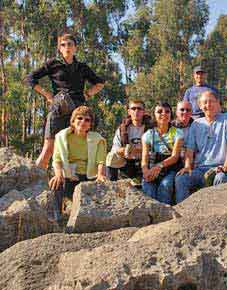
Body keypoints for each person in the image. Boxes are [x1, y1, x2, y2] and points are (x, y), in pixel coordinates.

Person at [25, 33, 105, 169]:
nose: (67, 47)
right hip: (58, 109)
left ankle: (78, 183)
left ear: (75, 48)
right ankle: (32, 184)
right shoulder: (53, 64)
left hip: (78, 113)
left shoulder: (82, 67)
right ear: (59, 48)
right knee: (48, 149)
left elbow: (100, 83)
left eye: (70, 44)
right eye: (63, 45)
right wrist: (47, 95)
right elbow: (30, 78)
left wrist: (87, 94)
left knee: (77, 149)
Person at [175, 90, 227, 203]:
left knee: (221, 178)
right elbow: (190, 149)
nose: (208, 105)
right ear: (199, 105)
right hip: (200, 169)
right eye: (204, 102)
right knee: (181, 178)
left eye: (211, 101)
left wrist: (226, 166)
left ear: (218, 103)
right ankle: (182, 215)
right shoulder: (196, 124)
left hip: (221, 168)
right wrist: (187, 166)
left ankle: (217, 213)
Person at [49, 106, 107, 221]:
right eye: (79, 118)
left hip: (89, 176)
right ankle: (57, 218)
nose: (83, 122)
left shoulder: (97, 139)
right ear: (73, 121)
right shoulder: (62, 136)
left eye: (87, 120)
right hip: (69, 175)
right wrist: (58, 174)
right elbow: (57, 159)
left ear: (91, 124)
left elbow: (100, 161)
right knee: (55, 182)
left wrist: (100, 175)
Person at [141, 102, 184, 205]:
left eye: (167, 111)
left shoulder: (177, 133)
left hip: (170, 168)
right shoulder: (147, 135)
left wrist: (159, 166)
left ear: (171, 115)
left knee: (165, 186)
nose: (164, 114)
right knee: (148, 189)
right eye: (159, 111)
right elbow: (145, 157)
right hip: (152, 167)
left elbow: (174, 157)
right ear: (154, 115)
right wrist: (145, 171)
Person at [106, 99, 153, 182]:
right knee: (111, 156)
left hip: (146, 161)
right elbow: (116, 149)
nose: (136, 111)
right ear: (129, 111)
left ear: (143, 111)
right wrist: (128, 150)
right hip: (127, 160)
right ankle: (112, 184)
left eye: (139, 109)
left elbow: (155, 148)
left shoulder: (151, 128)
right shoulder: (122, 129)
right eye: (133, 109)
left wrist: (139, 149)